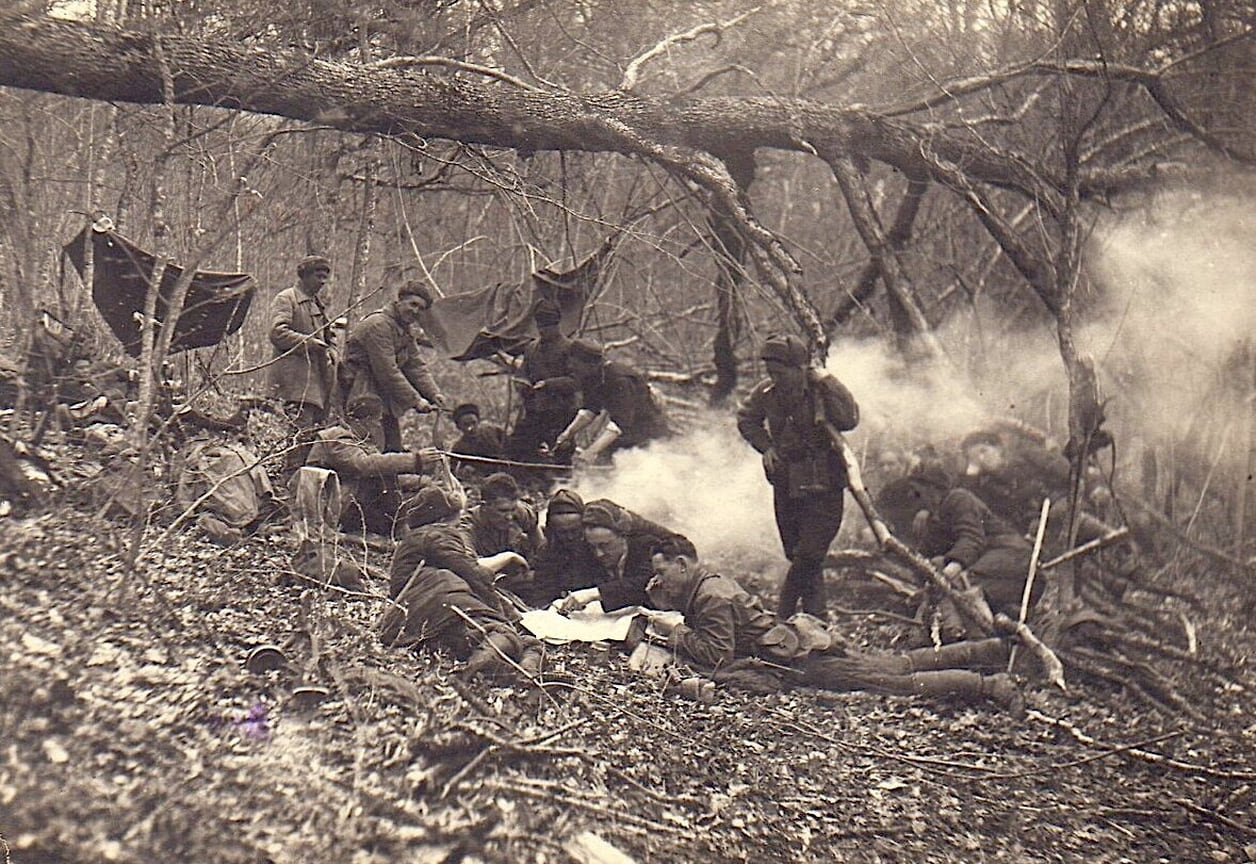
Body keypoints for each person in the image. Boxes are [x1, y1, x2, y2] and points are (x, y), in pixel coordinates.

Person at [642, 536, 1022, 713]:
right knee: (894, 665)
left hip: (796, 659)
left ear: (682, 564)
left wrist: (674, 631)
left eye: (664, 572)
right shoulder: (707, 582)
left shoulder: (709, 596)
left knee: (894, 680)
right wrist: (667, 604)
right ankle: (989, 650)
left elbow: (718, 654)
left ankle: (989, 683)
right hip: (793, 645)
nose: (662, 581)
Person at [736, 333, 860, 618]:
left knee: (810, 555)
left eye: (780, 372)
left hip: (824, 483)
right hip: (786, 483)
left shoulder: (820, 390)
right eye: (770, 373)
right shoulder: (766, 393)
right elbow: (746, 419)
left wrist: (827, 380)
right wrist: (766, 447)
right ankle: (817, 622)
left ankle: (783, 614)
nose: (774, 378)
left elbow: (850, 419)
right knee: (798, 555)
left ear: (799, 368)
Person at [382, 487, 541, 676]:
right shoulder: (438, 535)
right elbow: (473, 574)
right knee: (505, 634)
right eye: (455, 521)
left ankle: (519, 672)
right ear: (442, 520)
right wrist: (503, 617)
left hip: (417, 620)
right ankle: (479, 671)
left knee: (519, 642)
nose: (457, 527)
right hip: (439, 607)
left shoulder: (413, 540)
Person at [877, 470, 1039, 637]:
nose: (913, 495)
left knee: (962, 581)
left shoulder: (959, 499)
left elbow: (972, 538)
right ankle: (953, 630)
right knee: (940, 567)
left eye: (917, 491)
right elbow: (924, 557)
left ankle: (980, 636)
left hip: (1012, 558)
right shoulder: (934, 518)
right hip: (991, 566)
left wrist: (948, 573)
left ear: (933, 489)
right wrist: (894, 553)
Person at [304, 393, 439, 536]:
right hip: (327, 508)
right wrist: (414, 460)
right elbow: (364, 465)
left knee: (421, 491)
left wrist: (419, 480)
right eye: (377, 422)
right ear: (366, 420)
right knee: (385, 483)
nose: (378, 427)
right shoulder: (336, 438)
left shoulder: (359, 440)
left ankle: (400, 529)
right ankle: (396, 531)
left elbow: (378, 469)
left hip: (345, 500)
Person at [342, 279, 448, 452]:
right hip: (360, 395)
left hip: (382, 399)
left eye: (421, 309)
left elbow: (415, 365)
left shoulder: (404, 330)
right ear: (399, 301)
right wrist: (416, 401)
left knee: (393, 450)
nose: (415, 311)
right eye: (413, 304)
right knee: (370, 452)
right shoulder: (378, 325)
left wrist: (434, 393)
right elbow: (387, 371)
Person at [269, 255, 338, 476]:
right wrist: (308, 343)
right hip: (295, 381)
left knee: (312, 436)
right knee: (299, 436)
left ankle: (301, 483)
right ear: (305, 275)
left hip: (316, 382)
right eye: (318, 276)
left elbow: (329, 336)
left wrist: (332, 346)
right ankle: (290, 483)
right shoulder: (287, 299)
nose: (322, 282)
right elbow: (277, 332)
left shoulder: (317, 304)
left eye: (326, 277)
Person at [556, 498, 688, 613]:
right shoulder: (585, 552)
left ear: (624, 537)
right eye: (593, 547)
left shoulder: (646, 548)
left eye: (605, 545)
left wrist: (595, 593)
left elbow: (643, 582)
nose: (599, 553)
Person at [554, 339, 671, 464]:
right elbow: (590, 409)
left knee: (612, 469)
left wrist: (591, 452)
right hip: (624, 433)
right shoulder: (590, 376)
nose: (571, 368)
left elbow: (619, 423)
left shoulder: (619, 380)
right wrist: (567, 434)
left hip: (647, 435)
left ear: (591, 364)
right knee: (600, 465)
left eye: (576, 365)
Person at [503, 298, 579, 464]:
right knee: (518, 447)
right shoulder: (532, 348)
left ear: (557, 324)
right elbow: (523, 373)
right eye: (540, 326)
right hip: (535, 409)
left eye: (548, 326)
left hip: (561, 411)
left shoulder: (570, 347)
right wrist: (521, 384)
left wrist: (548, 384)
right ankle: (529, 484)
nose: (543, 330)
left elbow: (576, 381)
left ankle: (566, 486)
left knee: (561, 451)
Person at [465, 471, 543, 561]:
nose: (509, 517)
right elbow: (469, 565)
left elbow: (540, 545)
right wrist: (509, 558)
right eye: (502, 511)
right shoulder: (468, 525)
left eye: (513, 509)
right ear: (484, 506)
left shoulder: (522, 512)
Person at [448, 402, 506, 479]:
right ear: (458, 427)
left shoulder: (493, 431)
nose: (470, 428)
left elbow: (511, 446)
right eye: (466, 425)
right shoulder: (458, 448)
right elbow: (454, 472)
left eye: (473, 423)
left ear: (479, 421)